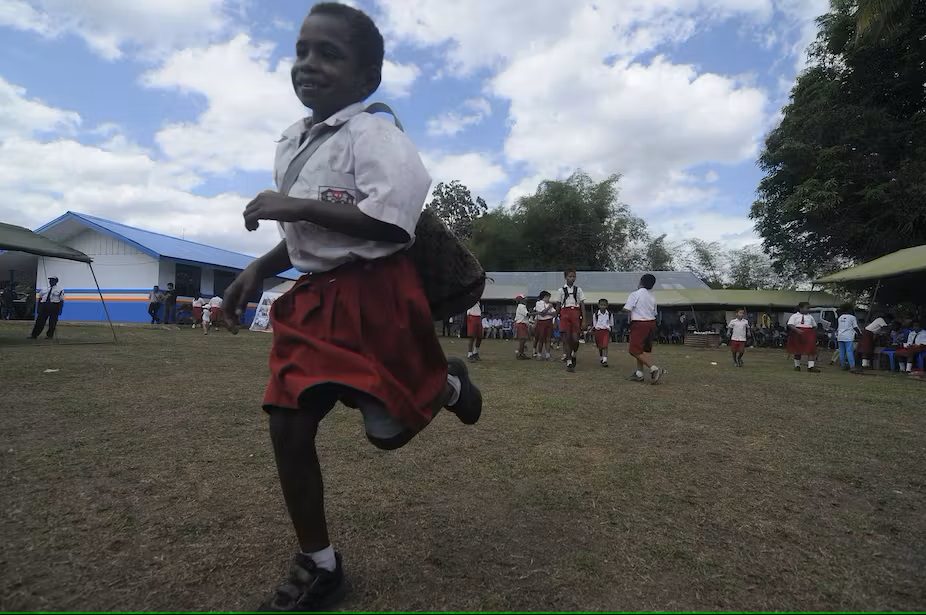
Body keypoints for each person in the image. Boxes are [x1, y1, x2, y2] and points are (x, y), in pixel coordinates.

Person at [220, 7, 485, 609]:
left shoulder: (376, 136)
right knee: (287, 421)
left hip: (376, 296)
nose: (309, 65)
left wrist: (297, 207)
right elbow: (308, 241)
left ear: (368, 76)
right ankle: (319, 563)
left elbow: (390, 227)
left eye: (329, 54)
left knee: (388, 434)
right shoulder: (292, 143)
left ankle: (442, 383)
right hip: (313, 301)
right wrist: (259, 269)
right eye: (302, 50)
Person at [623, 274, 664, 383]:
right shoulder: (652, 296)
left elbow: (627, 309)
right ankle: (639, 373)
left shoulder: (635, 294)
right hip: (651, 323)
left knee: (634, 350)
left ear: (641, 281)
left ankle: (654, 368)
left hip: (639, 323)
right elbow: (654, 312)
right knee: (642, 350)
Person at [558, 268, 585, 373]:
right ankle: (569, 361)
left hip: (575, 313)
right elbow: (558, 305)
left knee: (575, 339)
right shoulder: (561, 290)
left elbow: (582, 304)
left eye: (573, 276)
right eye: (570, 276)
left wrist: (584, 320)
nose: (572, 278)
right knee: (566, 338)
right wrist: (555, 319)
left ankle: (573, 353)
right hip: (564, 313)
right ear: (565, 277)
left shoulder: (578, 290)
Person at [787, 302, 820, 372]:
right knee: (797, 350)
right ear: (801, 308)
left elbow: (815, 326)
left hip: (808, 334)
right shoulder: (794, 316)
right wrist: (797, 330)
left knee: (811, 350)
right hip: (797, 333)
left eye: (809, 308)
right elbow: (790, 324)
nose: (808, 309)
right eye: (807, 308)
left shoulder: (810, 316)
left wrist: (811, 332)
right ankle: (797, 366)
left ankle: (811, 367)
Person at [835, 304, 862, 372]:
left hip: (840, 336)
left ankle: (843, 366)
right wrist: (860, 334)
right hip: (848, 337)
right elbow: (855, 327)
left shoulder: (840, 317)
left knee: (842, 351)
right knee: (849, 351)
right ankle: (852, 367)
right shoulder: (852, 317)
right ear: (850, 309)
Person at [532, 290, 555, 360]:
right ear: (545, 297)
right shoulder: (539, 303)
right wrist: (548, 309)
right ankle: (539, 354)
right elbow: (542, 313)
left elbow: (554, 313)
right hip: (541, 322)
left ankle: (547, 354)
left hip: (549, 321)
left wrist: (547, 312)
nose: (549, 299)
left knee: (548, 339)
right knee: (541, 338)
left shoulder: (549, 304)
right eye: (548, 297)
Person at [592, 299, 613, 368]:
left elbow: (611, 323)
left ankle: (605, 359)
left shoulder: (609, 314)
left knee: (605, 345)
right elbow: (594, 323)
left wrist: (609, 329)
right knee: (600, 346)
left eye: (604, 305)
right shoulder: (596, 314)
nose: (603, 307)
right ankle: (601, 356)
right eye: (601, 305)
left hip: (606, 331)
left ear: (607, 306)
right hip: (598, 331)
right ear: (598, 305)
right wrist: (596, 329)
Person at [514, 294, 530, 359]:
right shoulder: (522, 306)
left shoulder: (521, 306)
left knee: (523, 340)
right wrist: (538, 313)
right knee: (522, 340)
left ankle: (521, 353)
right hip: (521, 324)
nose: (525, 300)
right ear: (521, 300)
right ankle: (520, 354)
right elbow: (527, 314)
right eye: (524, 299)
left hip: (522, 324)